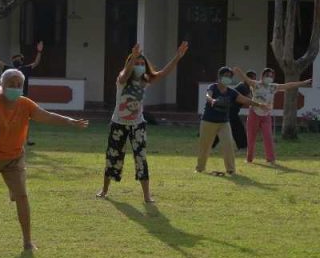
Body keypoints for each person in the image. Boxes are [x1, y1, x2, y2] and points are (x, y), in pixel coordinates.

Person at [0, 69, 88, 251]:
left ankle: (27, 242)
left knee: (22, 195)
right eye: (11, 84)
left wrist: (69, 121)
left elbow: (45, 115)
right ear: (3, 85)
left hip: (14, 156)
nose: (16, 87)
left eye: (19, 84)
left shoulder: (25, 104)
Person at [96, 42, 189, 203]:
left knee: (141, 158)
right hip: (118, 124)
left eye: (141, 64)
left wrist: (177, 57)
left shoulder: (145, 81)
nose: (139, 66)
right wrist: (133, 57)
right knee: (113, 156)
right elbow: (124, 75)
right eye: (136, 63)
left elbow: (163, 73)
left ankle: (147, 196)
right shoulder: (122, 80)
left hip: (138, 125)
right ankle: (104, 190)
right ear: (130, 64)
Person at [196, 66, 268, 175]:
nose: (228, 78)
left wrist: (258, 104)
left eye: (230, 76)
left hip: (224, 123)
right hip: (208, 121)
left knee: (228, 145)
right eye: (226, 76)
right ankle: (200, 168)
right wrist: (212, 100)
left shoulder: (231, 92)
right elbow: (208, 95)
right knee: (205, 147)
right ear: (220, 77)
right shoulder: (213, 87)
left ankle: (230, 169)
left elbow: (245, 100)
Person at [234, 67, 312, 165]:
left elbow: (288, 85)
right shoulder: (256, 85)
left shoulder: (273, 87)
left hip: (266, 115)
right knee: (251, 138)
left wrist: (303, 83)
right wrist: (239, 72)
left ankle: (270, 159)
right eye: (267, 75)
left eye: (271, 76)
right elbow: (247, 79)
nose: (269, 77)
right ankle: (249, 159)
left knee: (268, 137)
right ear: (262, 76)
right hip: (254, 114)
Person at [0, 40, 43, 145]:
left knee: (25, 118)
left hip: (22, 97)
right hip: (8, 98)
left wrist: (39, 51)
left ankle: (26, 139)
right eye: (15, 59)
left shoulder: (25, 69)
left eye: (18, 58)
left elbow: (36, 63)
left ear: (21, 60)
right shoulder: (8, 69)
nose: (17, 60)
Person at [212, 70, 256, 150]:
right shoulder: (243, 86)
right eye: (253, 79)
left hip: (230, 110)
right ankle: (243, 146)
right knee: (238, 128)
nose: (254, 81)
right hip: (231, 110)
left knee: (223, 128)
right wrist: (259, 104)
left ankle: (210, 144)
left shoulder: (246, 87)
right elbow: (250, 99)